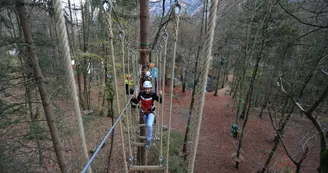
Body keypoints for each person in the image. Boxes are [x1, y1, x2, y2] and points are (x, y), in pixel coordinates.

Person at [131, 81, 162, 149]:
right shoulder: (141, 94)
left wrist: (160, 95)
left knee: (149, 125)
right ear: (144, 88)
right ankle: (153, 121)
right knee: (147, 124)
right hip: (144, 112)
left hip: (151, 112)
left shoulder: (153, 94)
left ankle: (148, 140)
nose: (147, 90)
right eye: (146, 88)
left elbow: (160, 101)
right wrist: (132, 99)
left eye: (148, 88)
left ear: (150, 88)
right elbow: (137, 101)